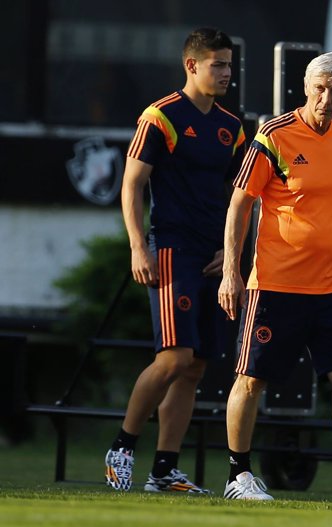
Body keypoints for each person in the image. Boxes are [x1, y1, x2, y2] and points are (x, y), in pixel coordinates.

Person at [217, 51, 332, 506]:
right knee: (251, 379)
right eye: (319, 88)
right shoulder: (273, 135)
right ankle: (237, 475)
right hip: (276, 284)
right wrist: (230, 271)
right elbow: (240, 204)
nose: (325, 98)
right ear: (306, 87)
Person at [104, 27, 245, 493]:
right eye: (217, 64)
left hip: (211, 255)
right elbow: (132, 183)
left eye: (228, 64)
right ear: (192, 66)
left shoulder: (232, 125)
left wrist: (231, 251)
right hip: (171, 250)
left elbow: (243, 195)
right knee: (173, 357)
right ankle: (121, 448)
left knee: (197, 365)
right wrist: (137, 246)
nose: (226, 72)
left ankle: (163, 471)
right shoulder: (160, 116)